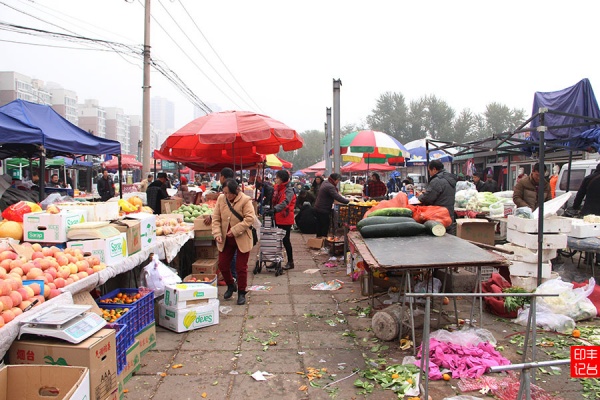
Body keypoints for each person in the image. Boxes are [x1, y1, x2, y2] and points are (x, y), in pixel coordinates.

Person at [211, 178, 256, 305]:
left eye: (228, 193)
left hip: (242, 238)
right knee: (223, 264)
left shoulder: (245, 200)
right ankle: (231, 284)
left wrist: (235, 230)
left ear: (235, 191)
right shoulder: (221, 199)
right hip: (226, 239)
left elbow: (249, 219)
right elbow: (216, 218)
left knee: (241, 267)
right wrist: (217, 234)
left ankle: (242, 292)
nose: (226, 195)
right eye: (224, 192)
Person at [265, 170, 296, 270]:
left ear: (282, 179)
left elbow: (285, 202)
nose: (275, 179)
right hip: (277, 217)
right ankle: (275, 260)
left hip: (285, 218)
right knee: (276, 240)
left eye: (277, 177)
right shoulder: (277, 189)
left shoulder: (289, 190)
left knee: (285, 240)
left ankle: (290, 262)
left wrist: (275, 209)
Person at [417, 160, 457, 233]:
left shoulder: (437, 180)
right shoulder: (449, 179)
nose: (429, 173)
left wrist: (420, 196)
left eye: (429, 171)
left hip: (439, 217)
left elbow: (427, 199)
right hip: (449, 216)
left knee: (439, 237)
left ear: (434, 169)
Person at [314, 173, 350, 238]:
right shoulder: (330, 186)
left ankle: (318, 239)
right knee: (324, 225)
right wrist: (348, 201)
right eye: (338, 180)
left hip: (318, 206)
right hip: (323, 208)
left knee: (319, 224)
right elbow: (337, 197)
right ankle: (323, 239)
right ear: (335, 179)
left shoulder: (326, 182)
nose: (338, 182)